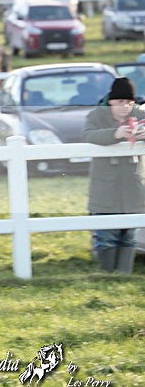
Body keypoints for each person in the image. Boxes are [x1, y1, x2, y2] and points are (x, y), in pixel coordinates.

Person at [81, 77, 145, 273]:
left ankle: (123, 276)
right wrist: (115, 134)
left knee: (129, 235)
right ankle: (108, 275)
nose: (124, 107)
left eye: (128, 102)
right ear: (111, 101)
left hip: (133, 186)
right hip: (105, 188)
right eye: (119, 102)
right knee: (106, 235)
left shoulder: (140, 115)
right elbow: (87, 135)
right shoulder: (96, 116)